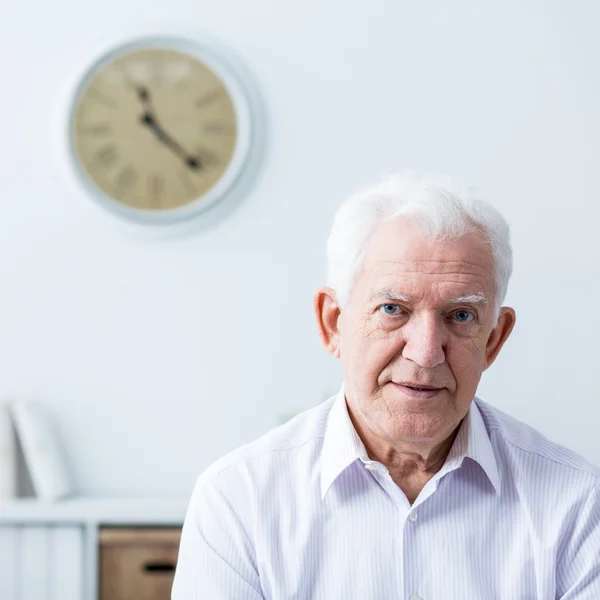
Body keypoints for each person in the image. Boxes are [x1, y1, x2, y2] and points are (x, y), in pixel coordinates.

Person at [171, 172, 600, 599]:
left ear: (494, 339)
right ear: (333, 323)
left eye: (462, 315)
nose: (426, 352)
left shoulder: (576, 503)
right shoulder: (238, 500)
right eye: (392, 309)